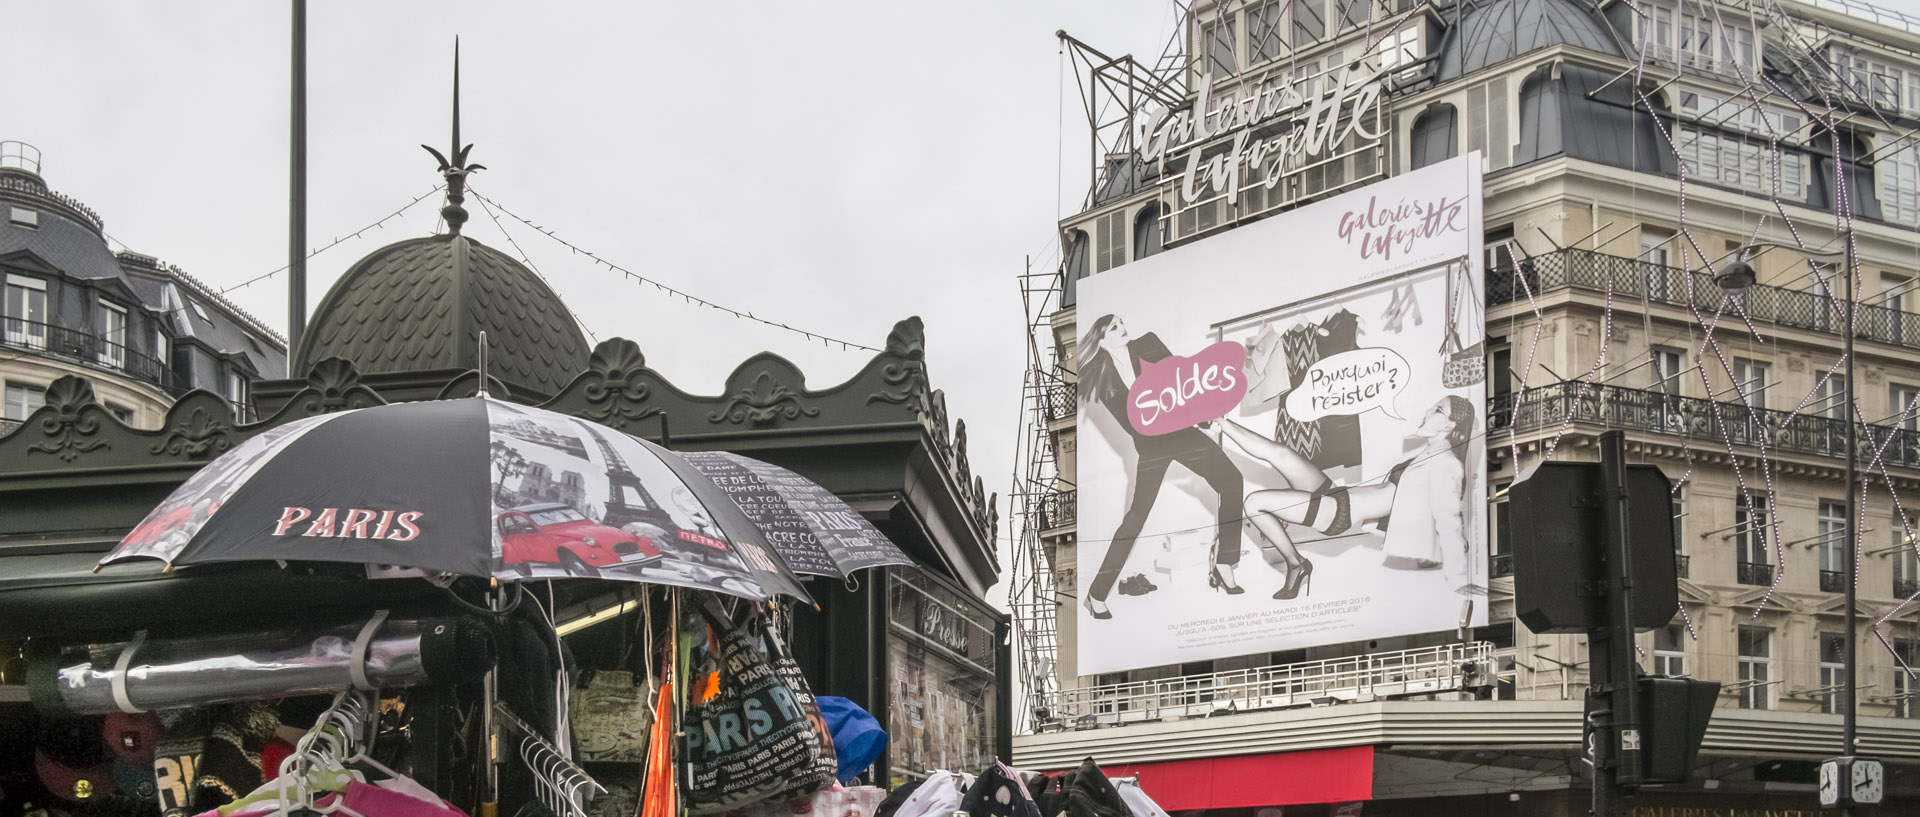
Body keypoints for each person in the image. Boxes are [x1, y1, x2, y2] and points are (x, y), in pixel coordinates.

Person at [1211, 394, 1476, 599]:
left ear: (1451, 425)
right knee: (1280, 453)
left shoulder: (1446, 466)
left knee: (1254, 503)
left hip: (1339, 514)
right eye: (1433, 407)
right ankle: (1221, 422)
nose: (1428, 411)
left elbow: (1448, 519)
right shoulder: (1426, 456)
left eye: (1438, 410)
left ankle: (1296, 564)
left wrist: (1459, 577)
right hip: (1337, 495)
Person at [1077, 314, 1246, 620]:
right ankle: (1096, 594)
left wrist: (1204, 419)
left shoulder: (1149, 344)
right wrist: (1156, 420)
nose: (1122, 327)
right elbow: (1130, 426)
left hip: (1181, 433)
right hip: (1152, 444)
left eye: (1121, 321)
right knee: (1135, 519)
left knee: (1232, 480)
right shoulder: (1103, 379)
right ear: (1102, 340)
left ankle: (1225, 562)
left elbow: (1182, 385)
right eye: (1113, 326)